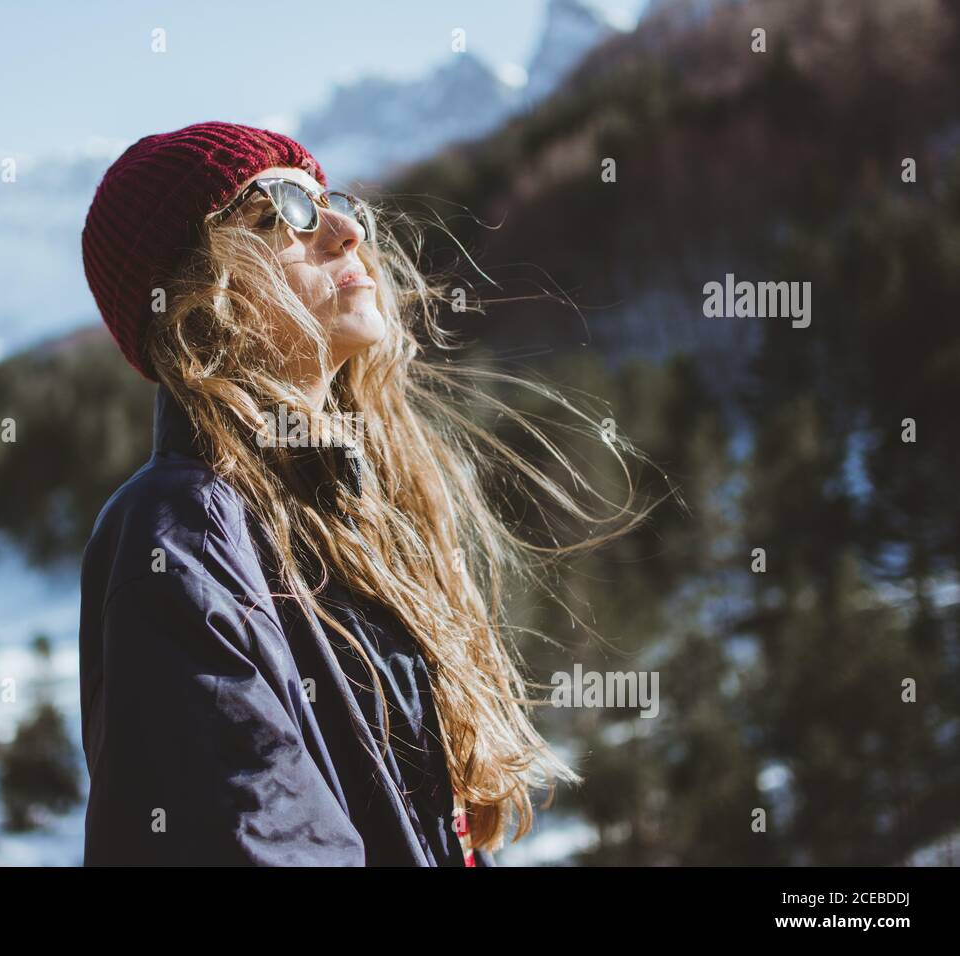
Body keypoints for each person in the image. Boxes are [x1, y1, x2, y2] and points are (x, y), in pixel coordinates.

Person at [78, 121, 647, 865]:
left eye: (334, 201)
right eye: (287, 209)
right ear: (197, 290)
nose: (347, 231)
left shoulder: (354, 507)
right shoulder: (182, 531)